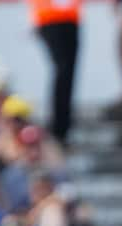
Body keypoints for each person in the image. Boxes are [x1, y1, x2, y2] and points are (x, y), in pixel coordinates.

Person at [28, 0, 80, 145]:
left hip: (70, 18)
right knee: (62, 69)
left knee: (68, 72)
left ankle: (63, 126)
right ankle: (58, 126)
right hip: (48, 18)